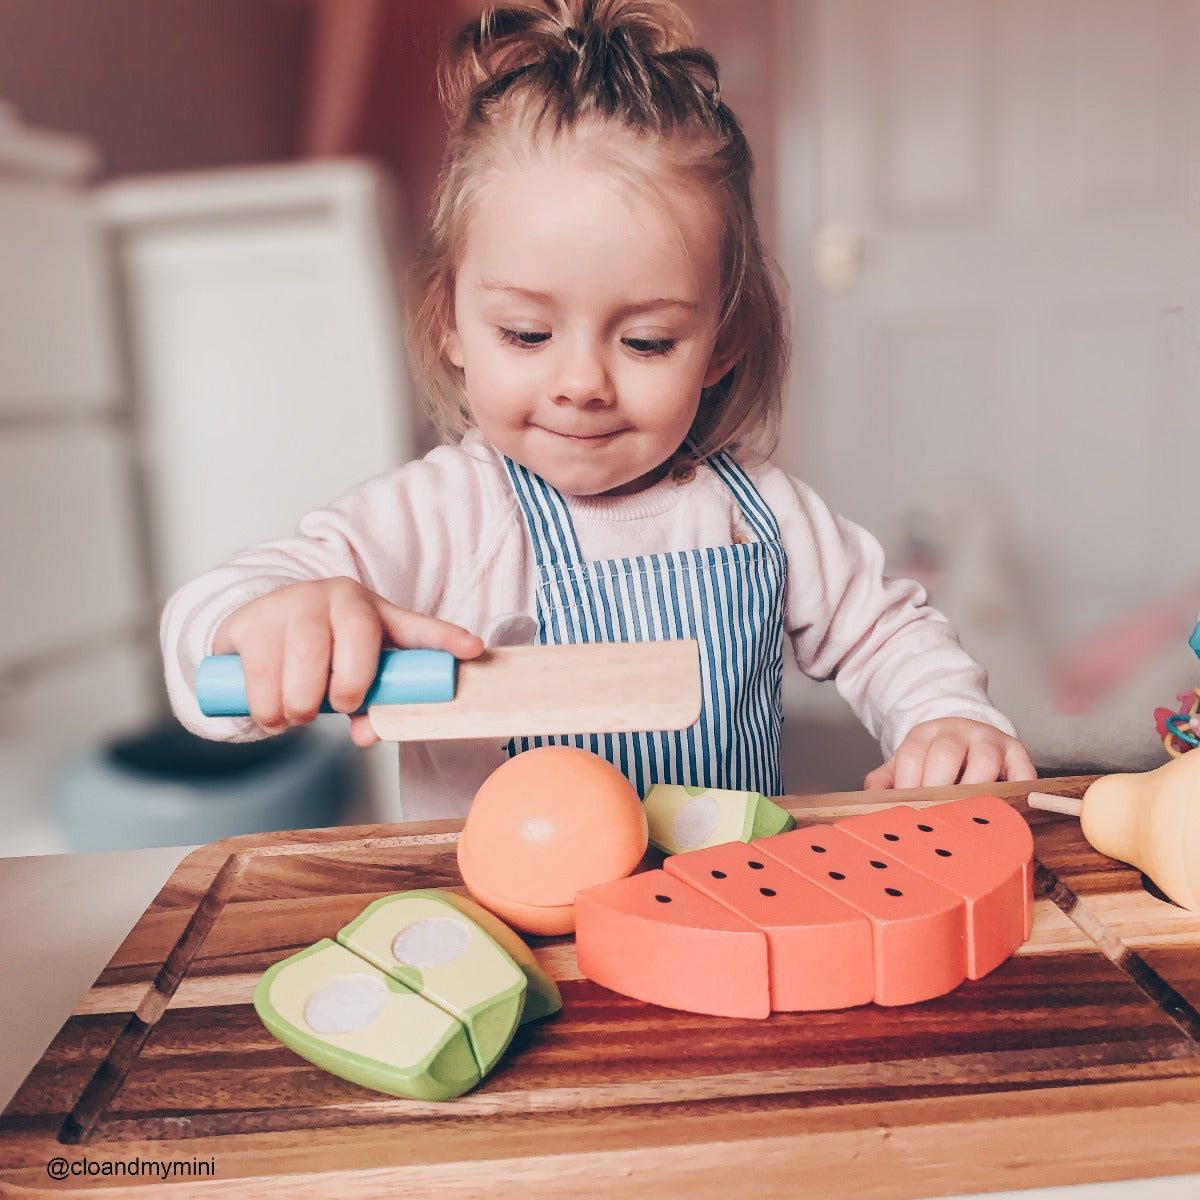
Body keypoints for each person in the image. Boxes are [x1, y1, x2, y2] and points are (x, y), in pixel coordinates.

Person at [161, 0, 1036, 821]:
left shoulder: (759, 514)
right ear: (452, 326)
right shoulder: (446, 515)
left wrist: (945, 718)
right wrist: (271, 621)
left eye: (647, 342)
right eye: (528, 333)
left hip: (714, 907)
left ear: (722, 344)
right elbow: (204, 646)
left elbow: (884, 630)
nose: (582, 383)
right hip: (500, 936)